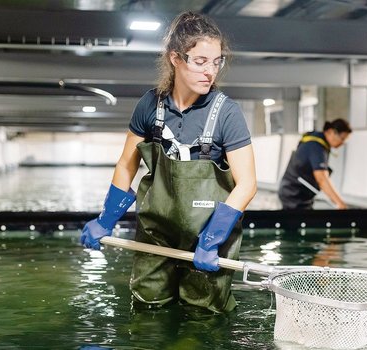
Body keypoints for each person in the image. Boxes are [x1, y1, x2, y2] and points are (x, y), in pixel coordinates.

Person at [80, 11, 257, 313]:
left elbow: (248, 183)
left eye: (216, 62)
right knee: (148, 308)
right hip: (156, 233)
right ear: (176, 58)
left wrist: (212, 239)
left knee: (203, 315)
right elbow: (127, 164)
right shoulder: (149, 105)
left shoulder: (227, 113)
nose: (210, 72)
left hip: (207, 234)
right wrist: (106, 219)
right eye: (200, 61)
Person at [278, 119, 351, 210]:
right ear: (331, 132)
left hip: (299, 193)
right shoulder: (315, 146)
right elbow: (322, 178)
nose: (342, 143)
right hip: (294, 194)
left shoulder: (318, 142)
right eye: (342, 138)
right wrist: (340, 203)